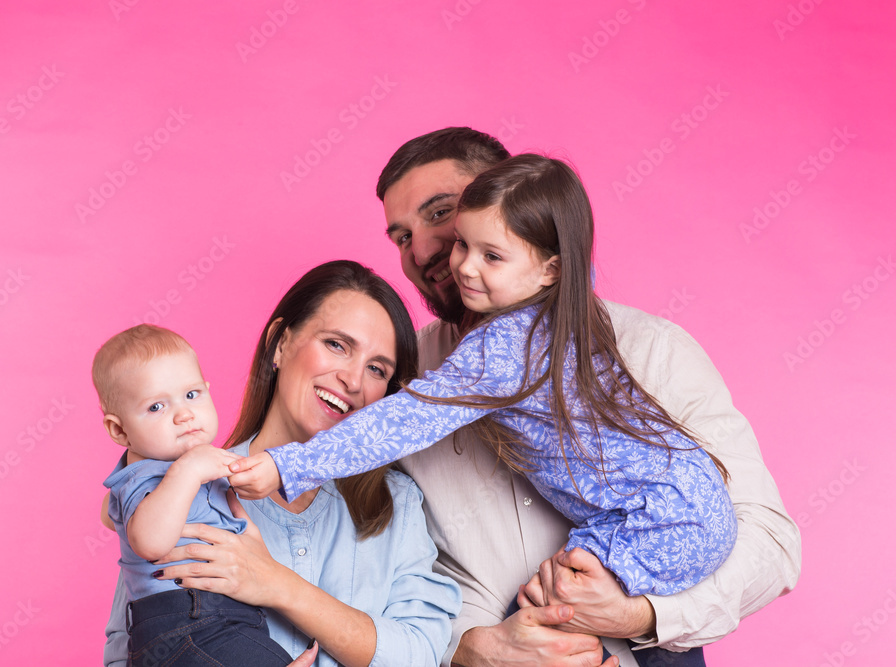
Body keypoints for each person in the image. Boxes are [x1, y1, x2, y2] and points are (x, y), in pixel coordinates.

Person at [363, 127, 801, 667]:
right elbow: (375, 559)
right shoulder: (402, 376)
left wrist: (636, 615)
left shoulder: (651, 350)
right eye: (401, 236)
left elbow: (772, 546)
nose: (425, 250)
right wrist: (467, 647)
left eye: (439, 214)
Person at [230, 155, 739, 606]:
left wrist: (287, 465)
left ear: (549, 269)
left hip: (658, 519)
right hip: (682, 500)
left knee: (546, 605)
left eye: (490, 256)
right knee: (549, 606)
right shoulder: (565, 322)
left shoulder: (503, 346)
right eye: (463, 246)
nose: (463, 267)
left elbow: (406, 420)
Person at [103, 260, 462, 667]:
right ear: (280, 343)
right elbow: (134, 649)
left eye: (377, 369)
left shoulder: (397, 506)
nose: (354, 381)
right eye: (336, 345)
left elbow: (419, 656)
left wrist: (278, 585)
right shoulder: (185, 486)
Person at [96, 324, 293, 666]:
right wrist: (188, 470)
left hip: (219, 618)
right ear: (119, 429)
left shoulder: (178, 465)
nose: (184, 414)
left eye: (192, 395)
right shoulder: (148, 474)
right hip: (185, 623)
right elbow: (148, 542)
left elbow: (108, 515)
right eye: (156, 407)